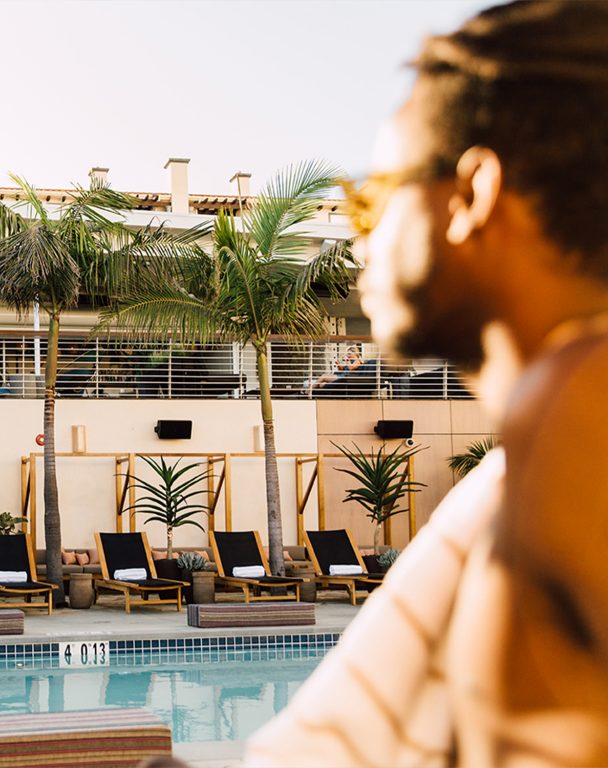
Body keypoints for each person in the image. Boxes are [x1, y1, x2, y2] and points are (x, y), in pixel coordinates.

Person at [247, 2, 608, 766]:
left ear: (473, 192)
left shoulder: (583, 402)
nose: (355, 241)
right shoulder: (527, 458)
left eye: (373, 199)